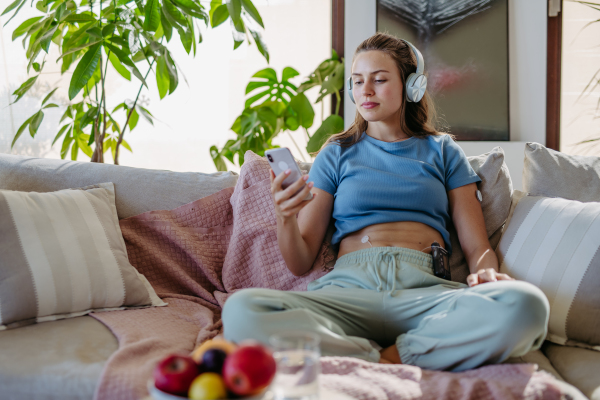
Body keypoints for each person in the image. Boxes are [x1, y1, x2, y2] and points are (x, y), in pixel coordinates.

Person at [222, 32, 549, 371]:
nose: (365, 90)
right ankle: (376, 356)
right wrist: (285, 216)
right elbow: (300, 261)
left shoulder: (444, 151)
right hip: (347, 291)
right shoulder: (336, 153)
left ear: (412, 87)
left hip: (425, 291)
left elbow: (477, 247)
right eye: (357, 81)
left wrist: (487, 276)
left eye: (379, 80)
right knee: (241, 310)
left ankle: (393, 355)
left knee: (527, 305)